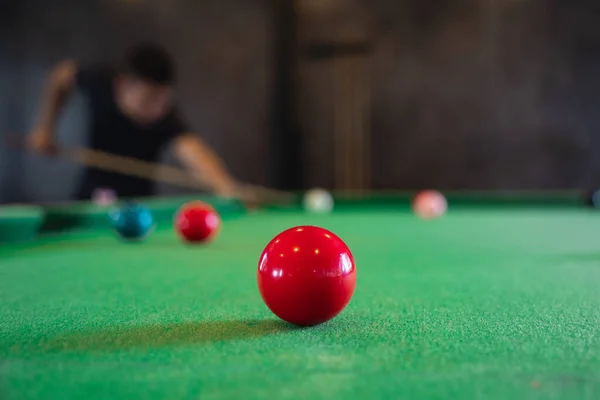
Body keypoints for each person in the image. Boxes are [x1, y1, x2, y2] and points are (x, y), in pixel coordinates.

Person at [27, 42, 246, 200]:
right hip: (90, 196)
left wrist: (225, 186)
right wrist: (45, 129)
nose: (157, 109)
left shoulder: (165, 115)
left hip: (138, 204)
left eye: (163, 99)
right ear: (122, 85)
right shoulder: (99, 82)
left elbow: (194, 151)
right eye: (149, 99)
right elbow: (61, 75)